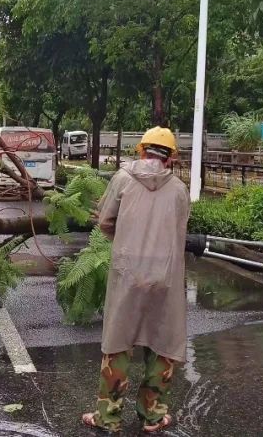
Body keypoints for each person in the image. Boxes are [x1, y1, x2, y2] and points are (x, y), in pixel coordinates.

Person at [81, 126, 190, 434]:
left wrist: (126, 237)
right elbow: (179, 231)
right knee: (162, 342)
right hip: (164, 277)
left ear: (142, 151)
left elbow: (105, 221)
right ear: (169, 158)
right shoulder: (180, 190)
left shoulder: (122, 179)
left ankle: (108, 417)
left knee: (118, 342)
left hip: (127, 273)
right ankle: (153, 417)